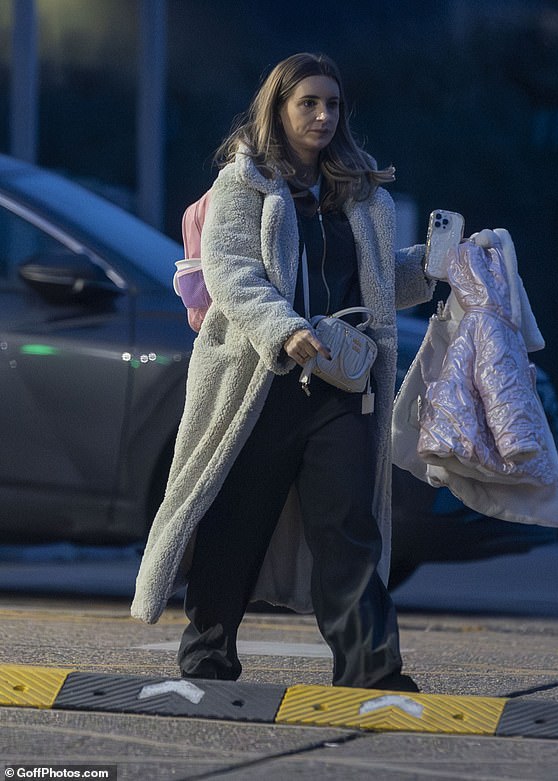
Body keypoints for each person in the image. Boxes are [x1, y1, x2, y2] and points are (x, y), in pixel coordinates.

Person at [131, 52, 435, 692]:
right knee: (235, 521)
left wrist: (441, 264)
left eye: (333, 105)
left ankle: (371, 671)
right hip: (256, 384)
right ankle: (208, 658)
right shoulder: (243, 183)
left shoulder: (362, 193)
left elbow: (380, 284)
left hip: (341, 384)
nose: (324, 116)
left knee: (350, 527)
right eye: (309, 103)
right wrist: (284, 329)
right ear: (279, 108)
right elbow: (232, 272)